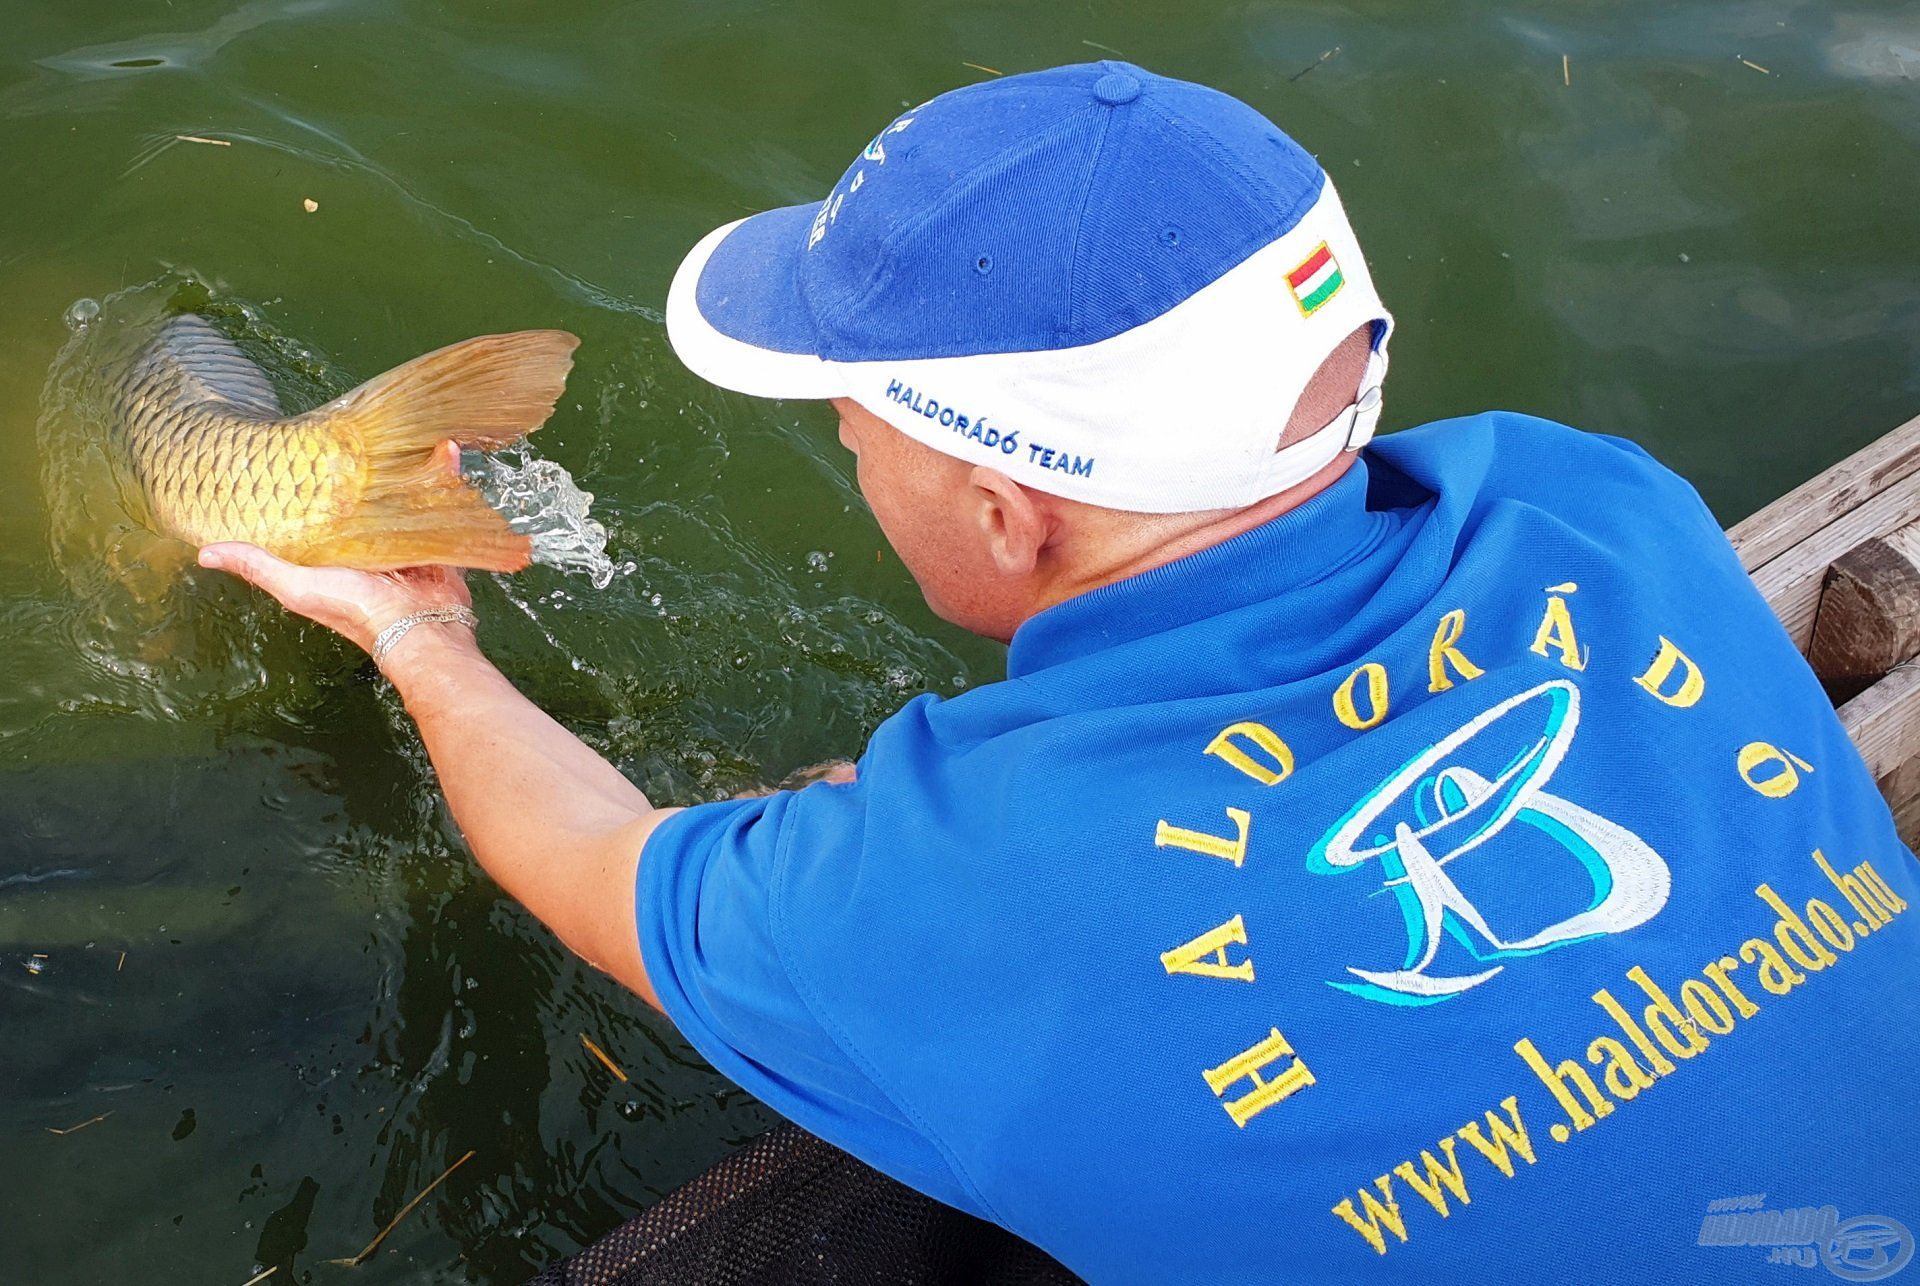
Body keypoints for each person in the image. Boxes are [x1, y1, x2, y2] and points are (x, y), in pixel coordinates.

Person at [202, 62, 1920, 1286]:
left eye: (851, 421)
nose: (848, 457)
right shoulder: (1594, 500)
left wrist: (416, 631)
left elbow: (579, 862)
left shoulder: (962, 888)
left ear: (1003, 510)